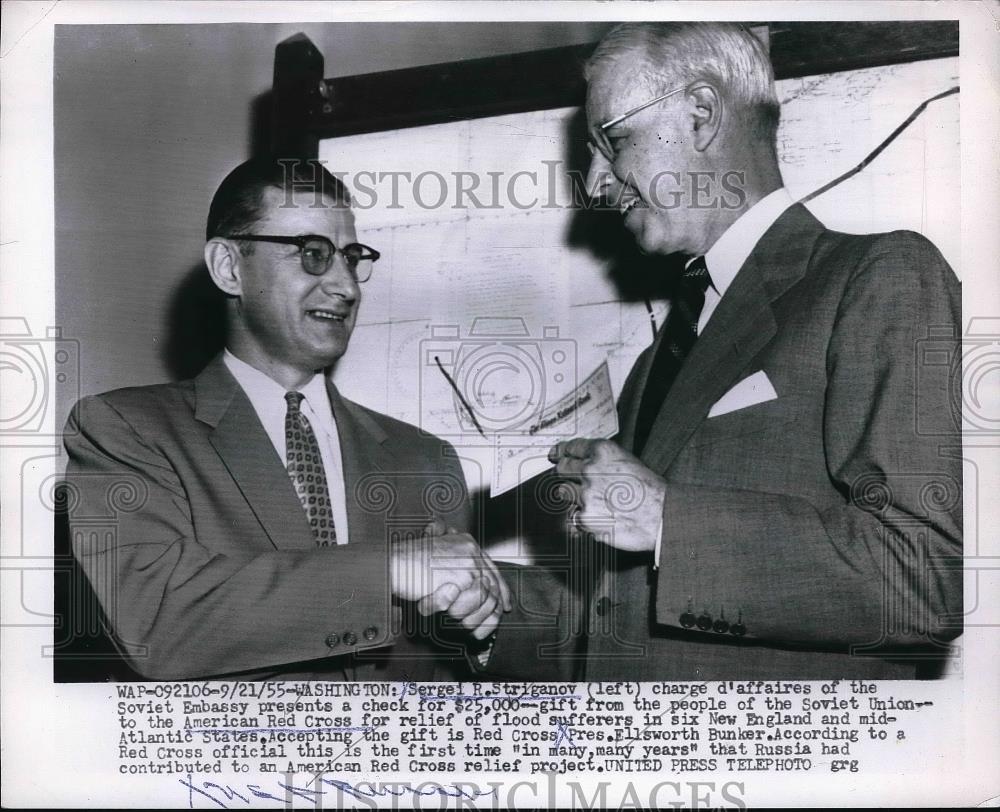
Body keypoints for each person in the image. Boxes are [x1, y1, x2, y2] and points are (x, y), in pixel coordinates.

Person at [470, 22, 963, 680]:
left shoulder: (880, 277)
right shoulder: (658, 364)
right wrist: (486, 602)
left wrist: (670, 519)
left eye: (612, 142)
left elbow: (920, 580)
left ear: (700, 114)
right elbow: (631, 620)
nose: (595, 183)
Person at [62, 157, 509, 681]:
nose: (347, 286)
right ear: (230, 267)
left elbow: (447, 668)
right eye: (313, 254)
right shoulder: (126, 430)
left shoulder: (426, 459)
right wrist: (389, 568)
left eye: (352, 257)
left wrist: (479, 632)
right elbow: (159, 624)